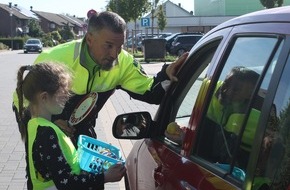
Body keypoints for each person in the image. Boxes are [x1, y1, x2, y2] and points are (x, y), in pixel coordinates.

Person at [12, 11, 188, 146]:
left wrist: (166, 75)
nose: (115, 54)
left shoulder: (123, 62)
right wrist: (48, 125)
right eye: (109, 46)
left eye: (120, 46)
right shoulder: (55, 59)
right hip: (46, 138)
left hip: (83, 136)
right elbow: (21, 103)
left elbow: (151, 93)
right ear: (89, 39)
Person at [16, 63, 125, 189]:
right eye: (62, 94)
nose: (66, 98)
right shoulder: (47, 133)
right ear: (44, 97)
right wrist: (105, 177)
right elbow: (66, 182)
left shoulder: (35, 124)